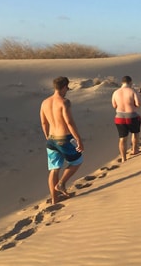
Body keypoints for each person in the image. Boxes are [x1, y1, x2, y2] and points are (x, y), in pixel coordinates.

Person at [40, 76, 84, 204]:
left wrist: (47, 136)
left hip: (51, 139)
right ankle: (61, 183)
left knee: (54, 168)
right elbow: (69, 122)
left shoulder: (44, 102)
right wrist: (78, 139)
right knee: (77, 161)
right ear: (64, 87)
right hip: (64, 138)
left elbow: (43, 122)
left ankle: (55, 199)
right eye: (67, 88)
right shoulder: (64, 102)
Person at [112, 76, 141, 162]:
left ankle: (123, 158)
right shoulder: (132, 91)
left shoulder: (115, 92)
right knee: (135, 133)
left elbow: (114, 106)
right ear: (130, 82)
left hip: (119, 117)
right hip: (132, 116)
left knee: (122, 138)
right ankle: (135, 150)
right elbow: (138, 104)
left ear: (122, 82)